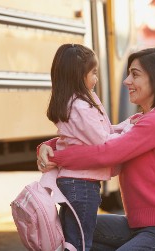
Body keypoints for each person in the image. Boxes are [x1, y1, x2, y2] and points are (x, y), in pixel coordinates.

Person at [38, 46, 155, 250]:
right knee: (69, 228)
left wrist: (56, 157)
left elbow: (106, 153)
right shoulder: (140, 119)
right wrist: (47, 146)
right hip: (137, 225)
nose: (126, 81)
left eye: (134, 75)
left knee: (80, 232)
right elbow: (97, 137)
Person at [43, 43, 137, 251]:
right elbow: (102, 142)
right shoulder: (80, 106)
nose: (96, 78)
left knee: (71, 239)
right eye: (93, 73)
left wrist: (125, 126)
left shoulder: (73, 102)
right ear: (78, 75)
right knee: (81, 242)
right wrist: (131, 134)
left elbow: (101, 131)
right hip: (83, 184)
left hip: (73, 183)